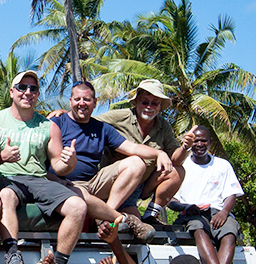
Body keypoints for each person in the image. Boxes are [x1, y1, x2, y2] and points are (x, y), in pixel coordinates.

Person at [0, 69, 143, 264]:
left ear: (38, 94)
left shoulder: (49, 126)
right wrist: (0, 158)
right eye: (22, 88)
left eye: (33, 89)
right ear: (12, 92)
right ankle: (12, 254)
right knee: (6, 195)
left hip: (38, 180)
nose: (27, 92)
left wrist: (70, 162)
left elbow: (57, 166)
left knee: (78, 205)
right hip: (5, 178)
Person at [52, 81, 169, 234]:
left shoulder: (102, 128)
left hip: (93, 183)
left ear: (95, 103)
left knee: (136, 162)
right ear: (71, 101)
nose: (82, 103)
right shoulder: (56, 123)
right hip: (67, 184)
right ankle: (122, 219)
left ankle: (106, 217)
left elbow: (132, 147)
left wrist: (159, 153)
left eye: (86, 99)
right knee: (80, 196)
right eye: (77, 99)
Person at [97, 79, 189, 226]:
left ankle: (150, 214)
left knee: (178, 171)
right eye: (145, 102)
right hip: (115, 184)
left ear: (159, 107)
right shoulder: (120, 117)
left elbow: (176, 161)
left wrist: (185, 147)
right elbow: (86, 121)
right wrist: (63, 115)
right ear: (136, 103)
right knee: (124, 225)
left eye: (154, 103)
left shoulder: (163, 126)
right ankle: (105, 217)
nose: (149, 107)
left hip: (138, 189)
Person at [170, 125, 244, 264]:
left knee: (229, 232)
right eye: (195, 141)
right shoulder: (182, 166)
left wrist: (224, 212)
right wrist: (186, 207)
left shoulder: (222, 165)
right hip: (191, 213)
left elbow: (231, 194)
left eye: (203, 140)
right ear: (190, 143)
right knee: (198, 227)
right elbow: (170, 201)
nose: (199, 144)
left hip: (218, 211)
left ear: (210, 143)